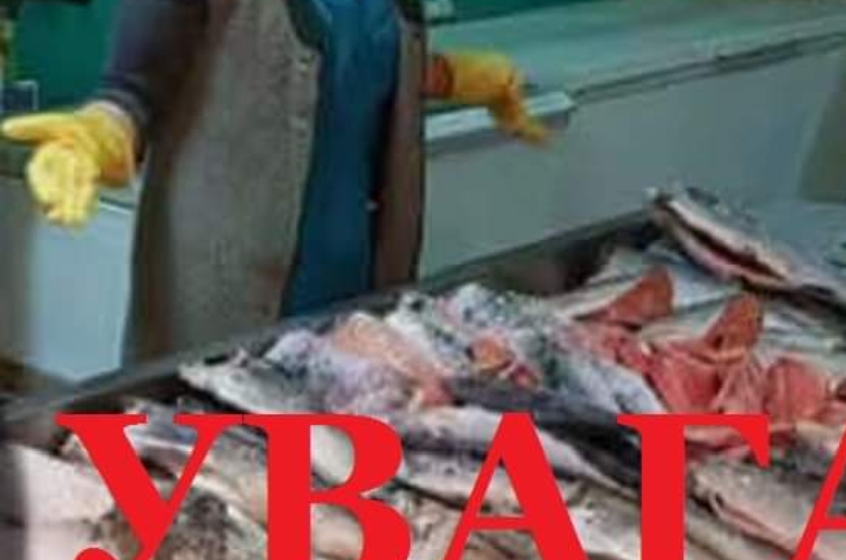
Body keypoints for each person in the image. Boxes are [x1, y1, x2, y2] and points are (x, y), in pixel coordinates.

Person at [1, 0, 545, 361]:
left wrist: (460, 77)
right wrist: (99, 133)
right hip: (223, 304)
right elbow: (135, 85)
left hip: (355, 291)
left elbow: (363, 58)